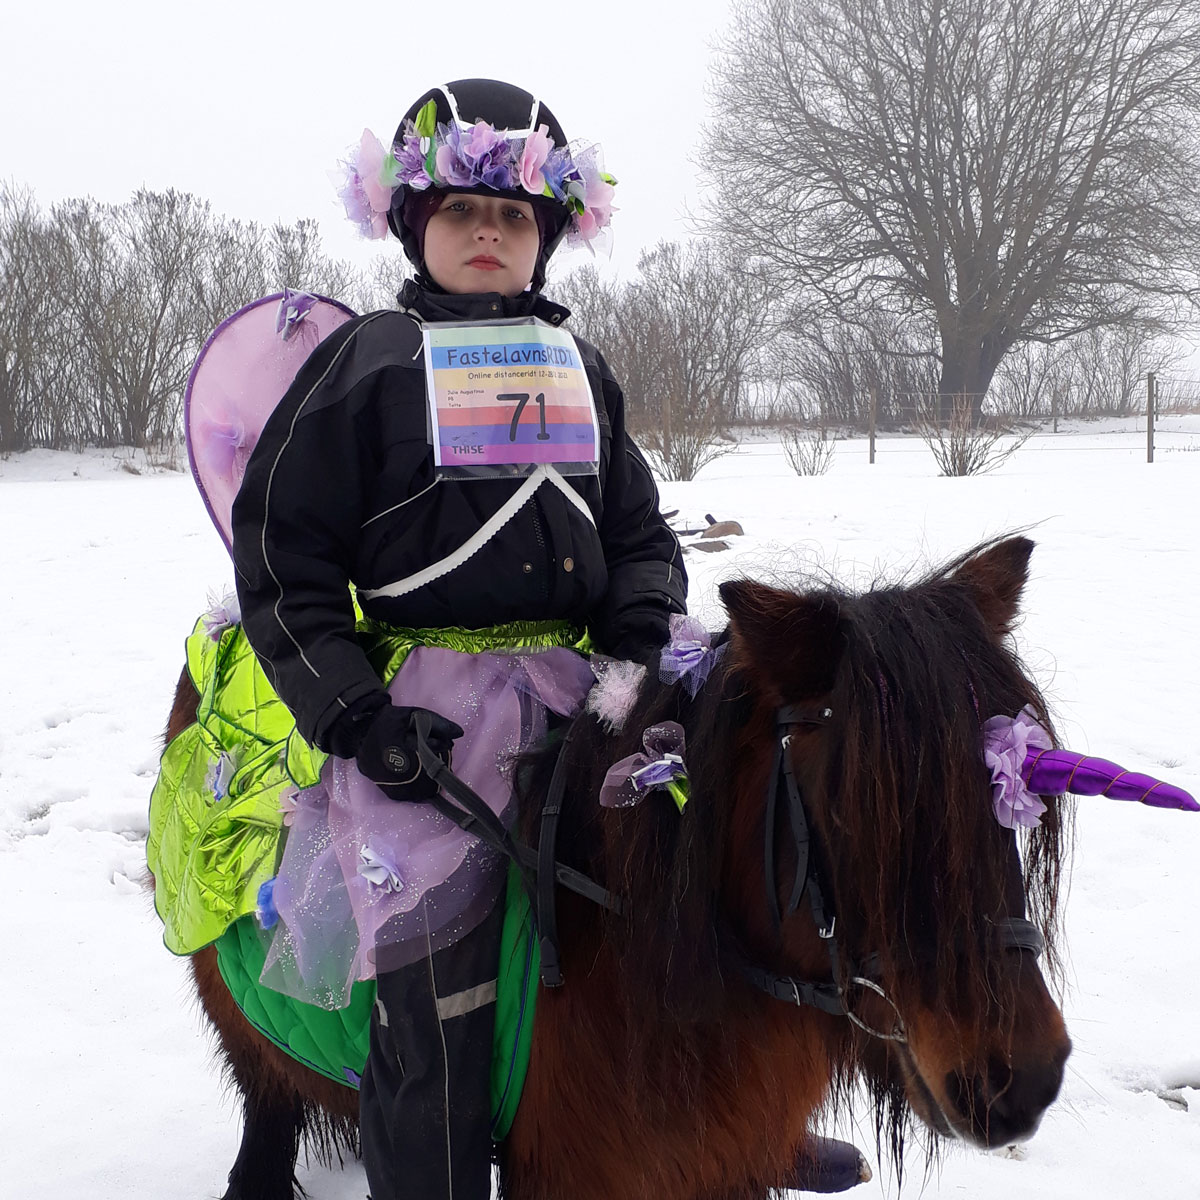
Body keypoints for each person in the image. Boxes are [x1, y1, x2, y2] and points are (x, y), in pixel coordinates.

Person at [230, 79, 687, 1200]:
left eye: (515, 216)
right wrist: (355, 713)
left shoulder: (583, 370)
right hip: (422, 716)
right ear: (412, 226)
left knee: (690, 895)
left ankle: (720, 1122)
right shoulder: (369, 362)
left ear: (546, 239)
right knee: (439, 997)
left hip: (583, 697)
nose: (489, 232)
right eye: (461, 212)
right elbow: (283, 554)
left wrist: (635, 639)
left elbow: (638, 532)